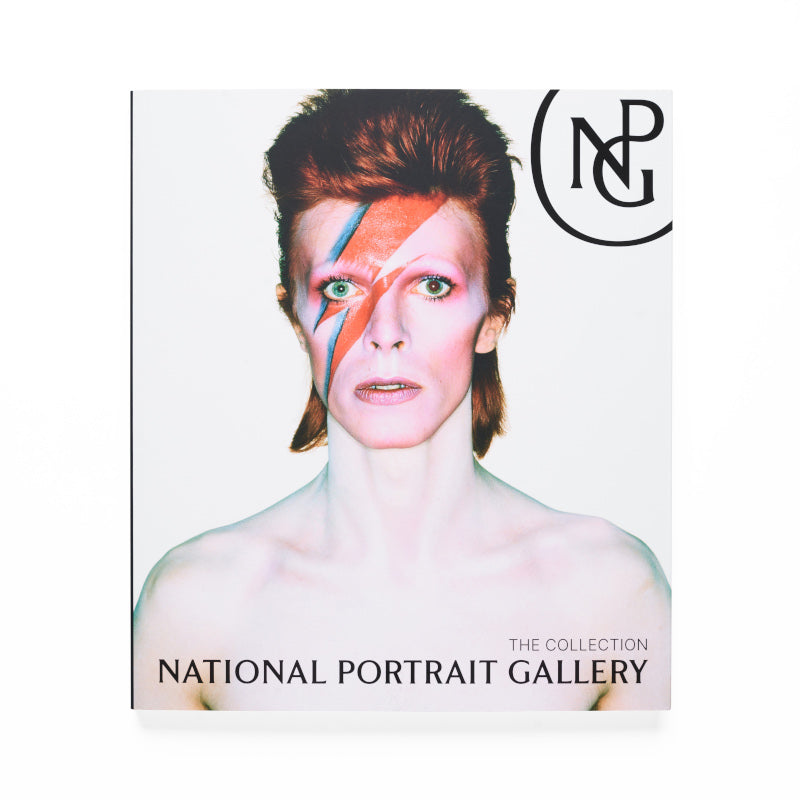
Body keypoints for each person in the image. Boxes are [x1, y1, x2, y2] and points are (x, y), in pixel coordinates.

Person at [133, 90, 670, 710]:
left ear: (495, 314)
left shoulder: (608, 594)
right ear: (295, 317)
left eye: (432, 285)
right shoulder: (195, 606)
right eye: (340, 288)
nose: (383, 331)